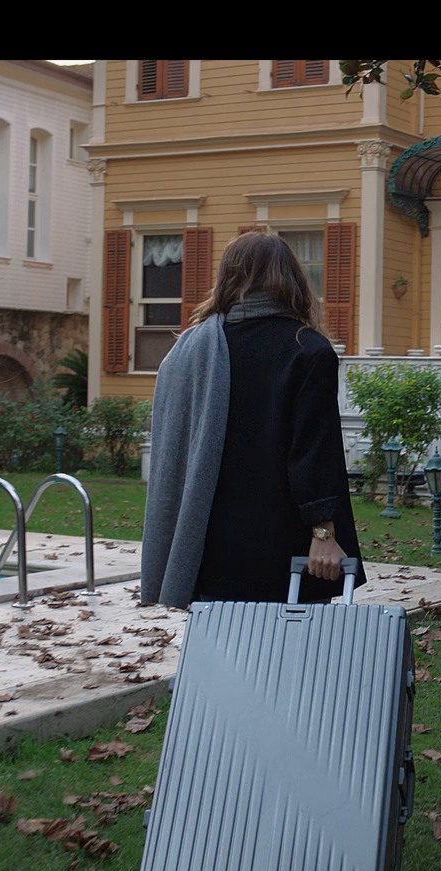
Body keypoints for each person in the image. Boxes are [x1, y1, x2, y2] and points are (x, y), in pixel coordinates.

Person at [141, 231, 365, 607]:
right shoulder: (307, 350)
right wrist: (324, 534)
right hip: (284, 551)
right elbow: (314, 453)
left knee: (225, 644)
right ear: (293, 280)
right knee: (291, 645)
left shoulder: (191, 349)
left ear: (228, 277)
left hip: (211, 548)